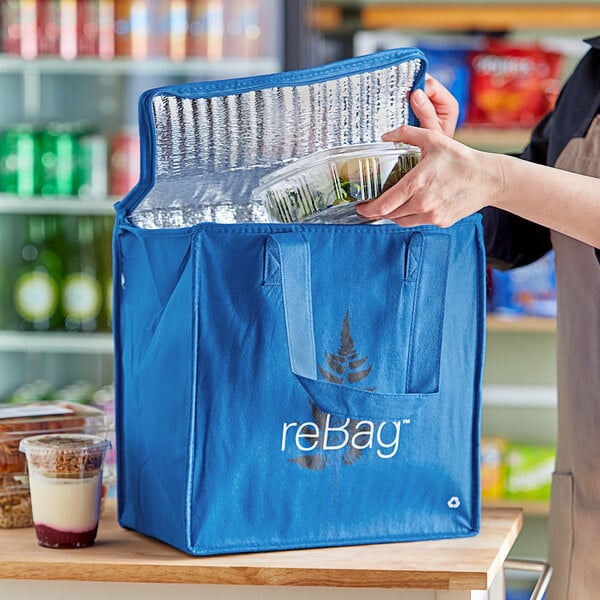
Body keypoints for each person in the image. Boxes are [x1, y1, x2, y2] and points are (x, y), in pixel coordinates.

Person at [357, 36, 600, 600]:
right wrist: (443, 170)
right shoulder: (594, 72)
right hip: (589, 481)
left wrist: (491, 177)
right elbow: (523, 227)